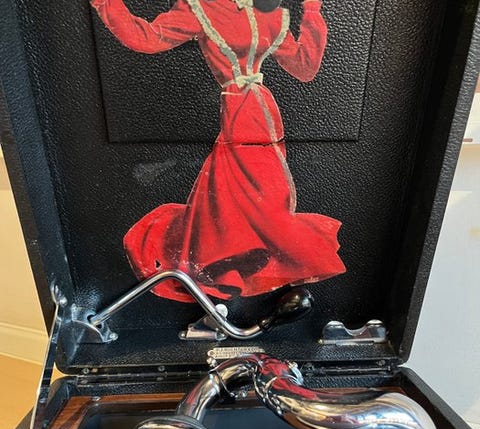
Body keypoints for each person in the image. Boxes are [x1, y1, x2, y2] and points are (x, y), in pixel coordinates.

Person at [91, 0, 346, 303]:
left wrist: (312, 11)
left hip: (262, 112)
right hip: (239, 111)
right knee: (247, 196)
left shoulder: (269, 13)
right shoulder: (204, 7)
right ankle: (229, 267)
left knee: (259, 195)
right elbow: (147, 38)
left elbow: (304, 67)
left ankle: (237, 265)